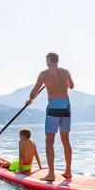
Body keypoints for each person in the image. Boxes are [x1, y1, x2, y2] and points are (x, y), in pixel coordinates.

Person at [26, 52, 74, 181]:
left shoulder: (44, 74)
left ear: (48, 60)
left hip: (54, 107)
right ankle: (68, 171)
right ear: (57, 60)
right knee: (66, 140)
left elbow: (34, 91)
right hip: (66, 107)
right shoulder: (65, 72)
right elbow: (72, 86)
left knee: (49, 141)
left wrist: (30, 100)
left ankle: (51, 174)